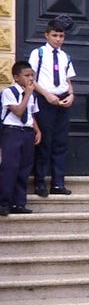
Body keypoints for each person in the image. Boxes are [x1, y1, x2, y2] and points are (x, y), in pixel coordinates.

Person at [29, 19, 75, 196]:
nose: (58, 39)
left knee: (60, 142)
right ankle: (40, 182)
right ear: (46, 35)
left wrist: (71, 94)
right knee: (44, 141)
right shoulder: (38, 53)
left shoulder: (65, 56)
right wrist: (46, 95)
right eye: (54, 35)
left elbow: (68, 80)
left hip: (62, 100)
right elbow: (31, 79)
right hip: (44, 99)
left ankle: (58, 183)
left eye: (61, 36)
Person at [0, 61, 41, 216]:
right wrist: (27, 94)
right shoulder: (9, 92)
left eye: (32, 75)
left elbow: (31, 114)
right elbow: (18, 111)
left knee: (24, 168)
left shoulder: (33, 95)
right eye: (27, 75)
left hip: (28, 132)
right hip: (13, 131)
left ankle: (19, 203)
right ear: (16, 77)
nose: (31, 78)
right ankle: (4, 202)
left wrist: (37, 130)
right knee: (10, 167)